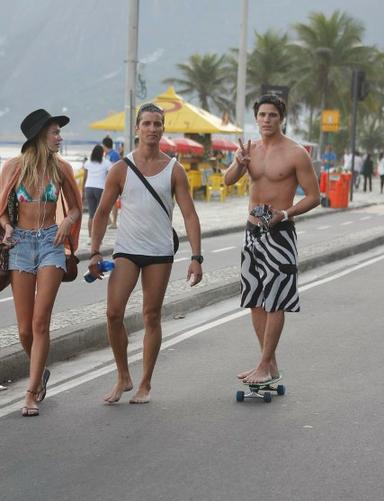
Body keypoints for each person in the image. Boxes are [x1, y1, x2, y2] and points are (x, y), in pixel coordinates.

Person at [89, 102, 203, 404]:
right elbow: (101, 213)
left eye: (157, 124)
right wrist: (94, 253)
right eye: (147, 124)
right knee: (113, 314)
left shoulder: (174, 170)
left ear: (163, 128)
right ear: (138, 128)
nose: (152, 129)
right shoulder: (120, 169)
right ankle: (123, 376)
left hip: (159, 253)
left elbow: (190, 215)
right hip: (126, 250)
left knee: (151, 315)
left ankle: (145, 384)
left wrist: (196, 257)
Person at [224, 93, 320, 384]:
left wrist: (286, 214)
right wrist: (239, 163)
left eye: (272, 115)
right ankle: (269, 364)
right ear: (256, 118)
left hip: (279, 234)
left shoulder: (295, 153)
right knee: (255, 298)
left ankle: (264, 365)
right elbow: (229, 180)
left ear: (282, 118)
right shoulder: (249, 149)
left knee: (275, 300)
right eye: (262, 115)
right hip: (251, 232)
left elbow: (315, 197)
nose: (266, 120)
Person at [0, 109, 82, 416]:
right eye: (55, 132)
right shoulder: (13, 167)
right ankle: (40, 371)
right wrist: (7, 227)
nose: (60, 137)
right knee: (23, 329)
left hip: (51, 243)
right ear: (39, 136)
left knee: (39, 322)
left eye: (59, 132)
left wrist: (67, 222)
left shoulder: (61, 169)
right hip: (20, 244)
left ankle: (31, 391)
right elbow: (2, 208)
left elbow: (75, 207)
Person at [82, 144, 112, 241]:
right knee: (100, 215)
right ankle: (98, 238)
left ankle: (90, 238)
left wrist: (83, 191)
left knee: (91, 215)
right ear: (102, 153)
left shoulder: (87, 162)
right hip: (100, 188)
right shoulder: (106, 163)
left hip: (89, 188)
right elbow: (110, 177)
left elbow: (85, 178)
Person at [102, 136, 121, 229]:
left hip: (114, 181)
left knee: (114, 202)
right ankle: (109, 221)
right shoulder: (107, 154)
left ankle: (114, 222)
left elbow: (115, 168)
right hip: (106, 181)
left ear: (104, 145)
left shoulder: (114, 155)